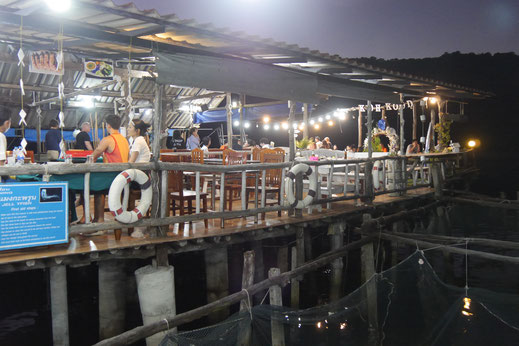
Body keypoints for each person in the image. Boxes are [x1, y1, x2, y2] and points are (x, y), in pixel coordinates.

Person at [91, 115, 129, 223]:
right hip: (124, 175)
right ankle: (96, 219)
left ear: (108, 126)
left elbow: (94, 155)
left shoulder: (108, 139)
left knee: (96, 188)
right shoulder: (124, 139)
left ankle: (99, 221)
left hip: (113, 177)